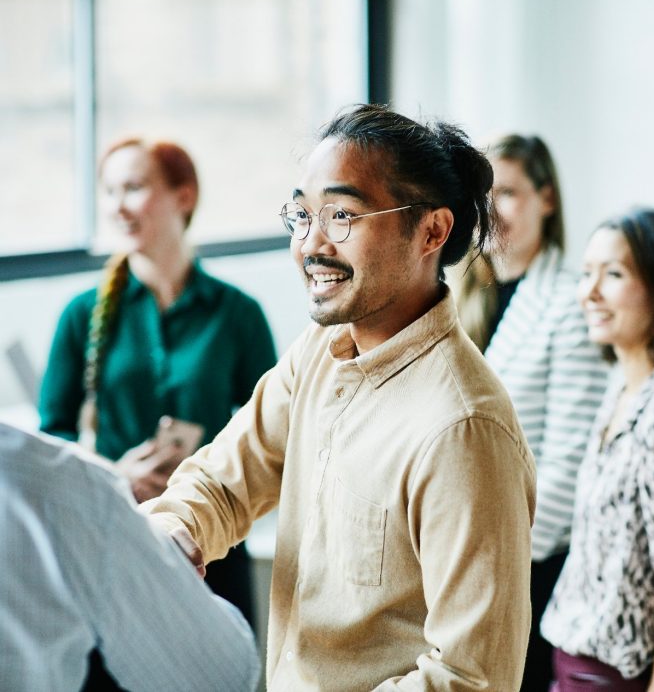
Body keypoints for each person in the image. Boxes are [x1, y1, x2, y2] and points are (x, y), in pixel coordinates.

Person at [143, 103, 536, 690]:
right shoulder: (319, 352)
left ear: (432, 230)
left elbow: (470, 675)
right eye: (302, 214)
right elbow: (223, 482)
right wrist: (178, 531)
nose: (310, 244)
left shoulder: (464, 427)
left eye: (342, 215)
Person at [38, 137, 276, 630]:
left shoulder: (237, 314)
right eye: (109, 191)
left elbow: (273, 434)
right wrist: (111, 475)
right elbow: (51, 439)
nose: (116, 206)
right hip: (112, 538)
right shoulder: (80, 316)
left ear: (183, 197)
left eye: (134, 188)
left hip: (212, 545)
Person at [446, 133, 609, 690]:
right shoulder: (466, 301)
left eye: (508, 192)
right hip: (475, 559)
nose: (492, 209)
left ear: (547, 199)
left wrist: (506, 565)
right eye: (483, 195)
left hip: (533, 567)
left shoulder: (569, 303)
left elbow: (566, 465)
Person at [540, 208, 654, 691]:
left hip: (620, 676)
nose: (588, 293)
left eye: (613, 274)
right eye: (587, 274)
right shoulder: (621, 391)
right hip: (575, 661)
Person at [0, 422, 260, 692]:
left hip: (200, 544)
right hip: (120, 530)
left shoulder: (56, 482)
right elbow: (217, 676)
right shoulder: (60, 483)